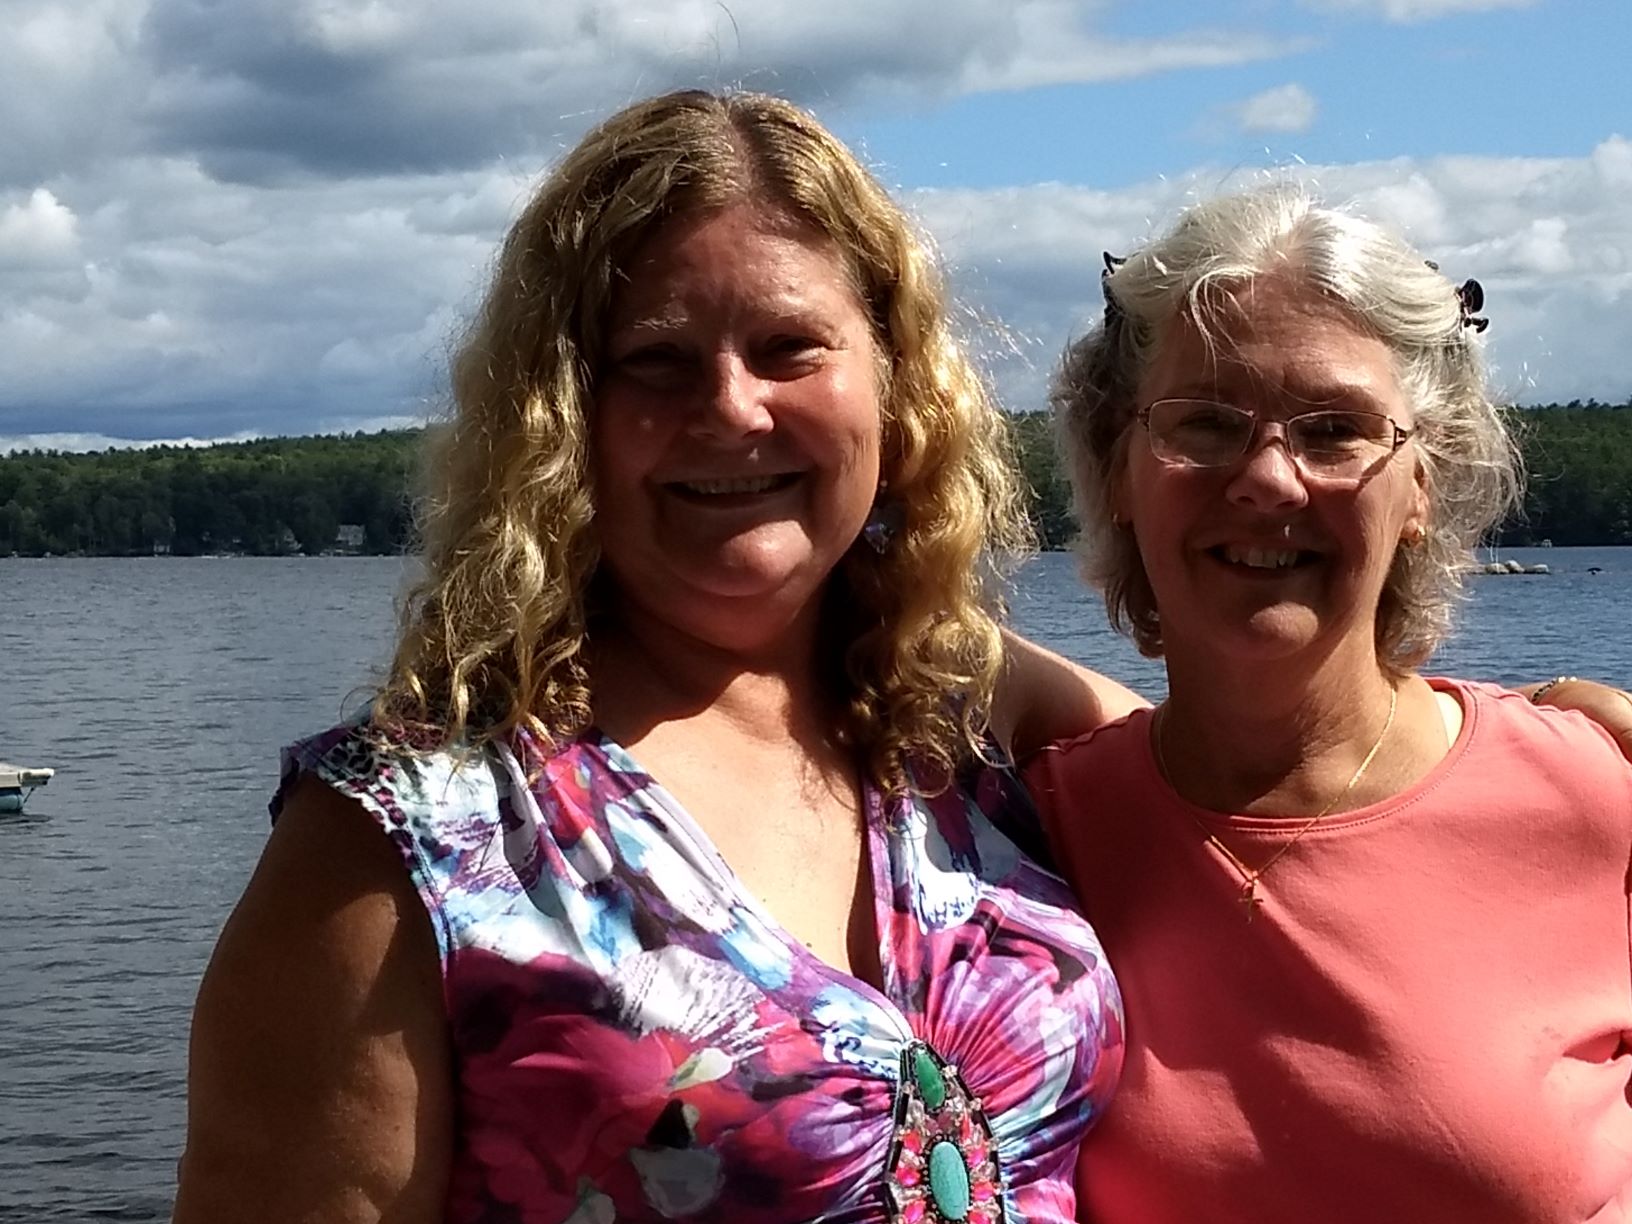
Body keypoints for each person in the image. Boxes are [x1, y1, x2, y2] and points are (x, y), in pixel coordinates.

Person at [171, 89, 1133, 1224]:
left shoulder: (969, 713)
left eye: (789, 348)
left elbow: (1262, 804)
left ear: (893, 377)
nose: (732, 409)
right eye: (657, 361)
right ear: (562, 415)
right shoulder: (400, 842)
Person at [1031, 185, 1632, 1223]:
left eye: (1336, 430)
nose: (1269, 479)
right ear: (1117, 466)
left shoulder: (1591, 795)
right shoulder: (1026, 844)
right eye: (1205, 423)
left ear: (1423, 484)